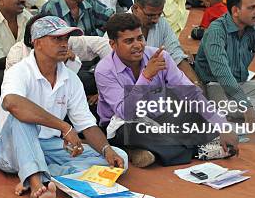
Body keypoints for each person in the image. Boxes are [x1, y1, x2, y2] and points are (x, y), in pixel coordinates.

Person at [0, 15, 127, 198]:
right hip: (12, 150)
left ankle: (46, 174)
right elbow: (12, 103)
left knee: (119, 158)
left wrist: (107, 150)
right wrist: (64, 127)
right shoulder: (20, 71)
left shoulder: (70, 78)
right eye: (57, 39)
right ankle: (37, 185)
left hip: (50, 148)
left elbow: (87, 124)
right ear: (37, 43)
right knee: (22, 117)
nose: (64, 44)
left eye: (66, 39)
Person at [95, 12, 238, 168]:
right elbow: (125, 112)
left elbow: (189, 92)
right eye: (129, 41)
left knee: (197, 113)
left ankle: (153, 152)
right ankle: (197, 150)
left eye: (140, 38)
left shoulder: (159, 56)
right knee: (133, 132)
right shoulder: (104, 69)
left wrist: (221, 125)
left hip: (159, 117)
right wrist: (146, 76)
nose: (137, 45)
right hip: (124, 124)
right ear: (113, 44)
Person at [131, 0, 202, 85]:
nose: (155, 20)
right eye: (150, 15)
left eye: (159, 14)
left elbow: (177, 57)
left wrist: (195, 85)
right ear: (135, 8)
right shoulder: (120, 28)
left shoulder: (162, 23)